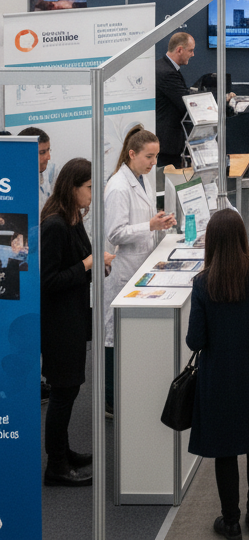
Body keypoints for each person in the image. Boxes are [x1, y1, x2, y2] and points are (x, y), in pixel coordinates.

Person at [186, 209, 249, 536]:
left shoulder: (203, 283)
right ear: (243, 237)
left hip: (219, 379)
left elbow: (195, 340)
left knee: (225, 451)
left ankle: (230, 521)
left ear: (211, 242)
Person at [40, 158, 114, 487]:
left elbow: (83, 259)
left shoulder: (74, 217)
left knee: (69, 390)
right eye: (89, 188)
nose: (92, 195)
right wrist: (86, 265)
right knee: (63, 392)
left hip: (73, 315)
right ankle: (56, 465)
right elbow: (48, 281)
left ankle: (63, 451)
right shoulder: (54, 225)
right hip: (58, 323)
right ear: (72, 188)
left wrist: (97, 265)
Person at [104, 127, 175, 417]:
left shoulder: (140, 178)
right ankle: (110, 399)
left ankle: (125, 389)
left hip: (140, 263)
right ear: (132, 154)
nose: (154, 162)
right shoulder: (118, 187)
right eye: (149, 156)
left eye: (156, 156)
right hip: (124, 268)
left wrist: (156, 220)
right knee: (113, 333)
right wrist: (149, 226)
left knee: (129, 332)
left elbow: (139, 218)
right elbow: (115, 233)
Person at [155, 31, 195, 168]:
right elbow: (185, 104)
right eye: (190, 50)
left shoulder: (162, 66)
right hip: (167, 145)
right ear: (179, 50)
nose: (193, 54)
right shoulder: (167, 73)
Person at [17, 126, 54, 211]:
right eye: (42, 152)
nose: (48, 157)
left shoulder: (47, 173)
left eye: (48, 150)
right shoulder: (10, 185)